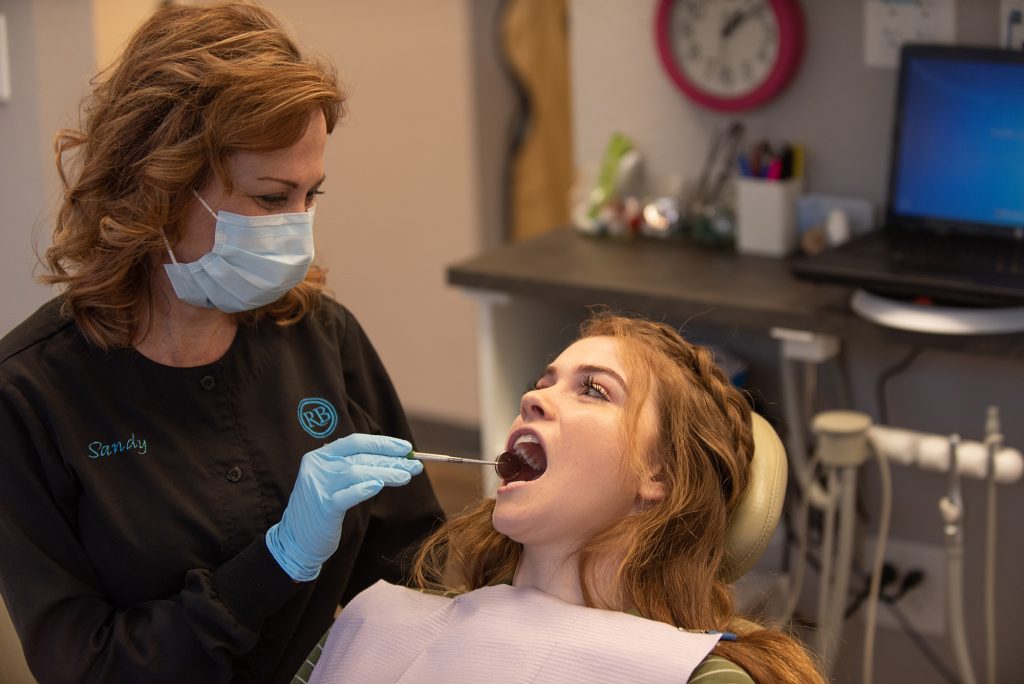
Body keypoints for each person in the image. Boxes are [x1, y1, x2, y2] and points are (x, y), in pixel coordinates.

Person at [0, 3, 443, 682]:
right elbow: (88, 668)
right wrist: (278, 561)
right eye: (271, 199)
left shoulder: (322, 337)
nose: (299, 227)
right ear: (160, 187)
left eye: (311, 194)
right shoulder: (29, 399)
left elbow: (413, 563)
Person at [297, 312, 824, 683]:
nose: (533, 398)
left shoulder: (691, 674)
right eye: (542, 382)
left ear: (658, 475)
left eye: (593, 389)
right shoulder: (377, 625)